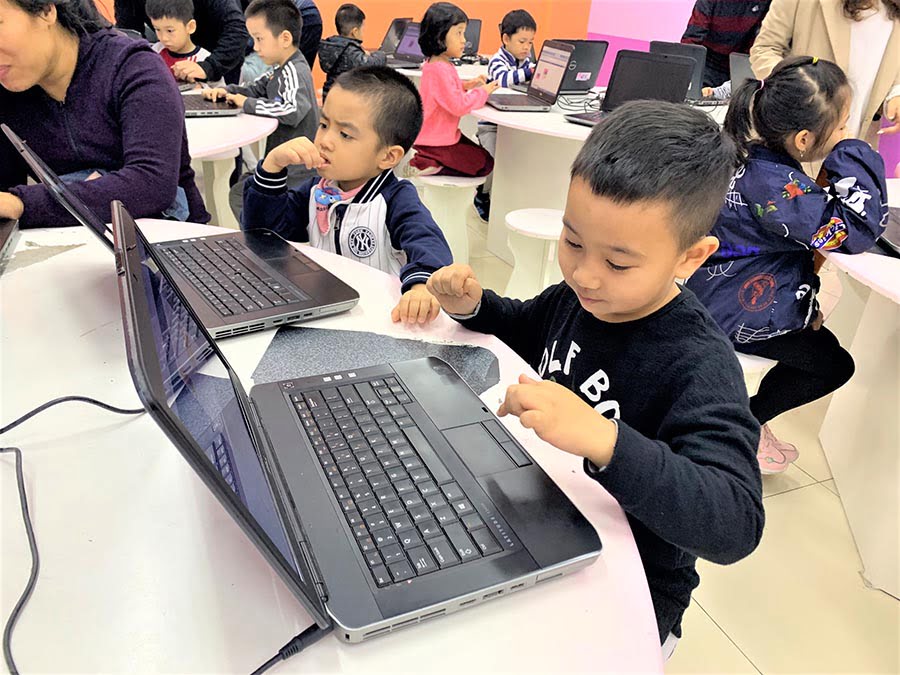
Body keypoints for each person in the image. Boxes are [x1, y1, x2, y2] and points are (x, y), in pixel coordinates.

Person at [427, 100, 764, 654]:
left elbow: (735, 521)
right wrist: (475, 306)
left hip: (630, 592)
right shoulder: (577, 298)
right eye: (573, 241)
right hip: (540, 523)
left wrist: (605, 440)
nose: (585, 274)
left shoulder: (699, 363)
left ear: (690, 258)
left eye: (618, 263)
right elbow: (523, 325)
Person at [686, 57, 887, 473]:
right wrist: (852, 151)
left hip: (720, 295)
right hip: (740, 312)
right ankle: (743, 423)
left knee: (819, 348)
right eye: (842, 126)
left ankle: (743, 419)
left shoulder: (753, 160)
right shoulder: (777, 188)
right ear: (804, 139)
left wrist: (806, 307)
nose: (845, 133)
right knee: (834, 366)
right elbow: (856, 230)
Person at [242, 66, 453, 324]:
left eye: (345, 134)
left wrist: (420, 287)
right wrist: (272, 167)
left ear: (388, 156)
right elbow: (263, 235)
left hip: (384, 319)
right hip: (329, 313)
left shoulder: (396, 199)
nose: (324, 141)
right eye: (323, 125)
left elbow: (429, 244)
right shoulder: (316, 191)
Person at [0, 0, 208, 227]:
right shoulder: (9, 94)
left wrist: (23, 204)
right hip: (72, 239)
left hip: (171, 237)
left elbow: (151, 184)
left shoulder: (133, 67)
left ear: (46, 10)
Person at [206, 0, 318, 214]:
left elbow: (291, 109)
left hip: (297, 172)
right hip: (285, 165)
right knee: (240, 191)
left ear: (285, 38)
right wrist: (227, 92)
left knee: (240, 194)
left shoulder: (294, 71)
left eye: (259, 39)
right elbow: (255, 88)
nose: (255, 47)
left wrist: (245, 103)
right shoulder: (280, 69)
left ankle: (263, 231)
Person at [751, 0, 900, 142]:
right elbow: (765, 49)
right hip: (793, 135)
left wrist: (895, 94)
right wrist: (794, 90)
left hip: (855, 143)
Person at [407, 2, 499, 178]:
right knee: (485, 165)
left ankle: (431, 161)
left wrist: (466, 85)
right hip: (435, 142)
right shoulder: (440, 68)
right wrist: (483, 92)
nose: (464, 40)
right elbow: (458, 106)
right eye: (458, 33)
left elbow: (443, 92)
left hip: (433, 137)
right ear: (440, 37)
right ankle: (428, 163)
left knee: (483, 159)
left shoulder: (435, 64)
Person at [474, 8, 537, 221]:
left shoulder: (526, 62)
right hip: (491, 127)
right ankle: (482, 196)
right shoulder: (497, 60)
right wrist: (529, 73)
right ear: (506, 39)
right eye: (522, 41)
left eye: (530, 42)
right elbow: (502, 79)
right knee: (493, 164)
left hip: (512, 124)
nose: (527, 47)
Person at [115, 0, 249, 84]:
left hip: (219, 57)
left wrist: (209, 67)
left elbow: (237, 29)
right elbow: (129, 34)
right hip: (166, 56)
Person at [682, 0, 772, 87]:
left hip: (743, 64)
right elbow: (691, 41)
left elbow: (764, 44)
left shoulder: (769, 4)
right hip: (708, 62)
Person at [146, 0, 224, 87]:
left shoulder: (204, 59)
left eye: (170, 31)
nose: (163, 38)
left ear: (190, 27)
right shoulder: (154, 52)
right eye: (157, 29)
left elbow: (220, 91)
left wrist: (202, 87)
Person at [319, 3, 386, 102]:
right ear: (354, 31)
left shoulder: (333, 46)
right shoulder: (349, 50)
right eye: (363, 28)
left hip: (329, 95)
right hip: (343, 100)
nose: (363, 31)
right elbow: (372, 64)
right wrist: (381, 54)